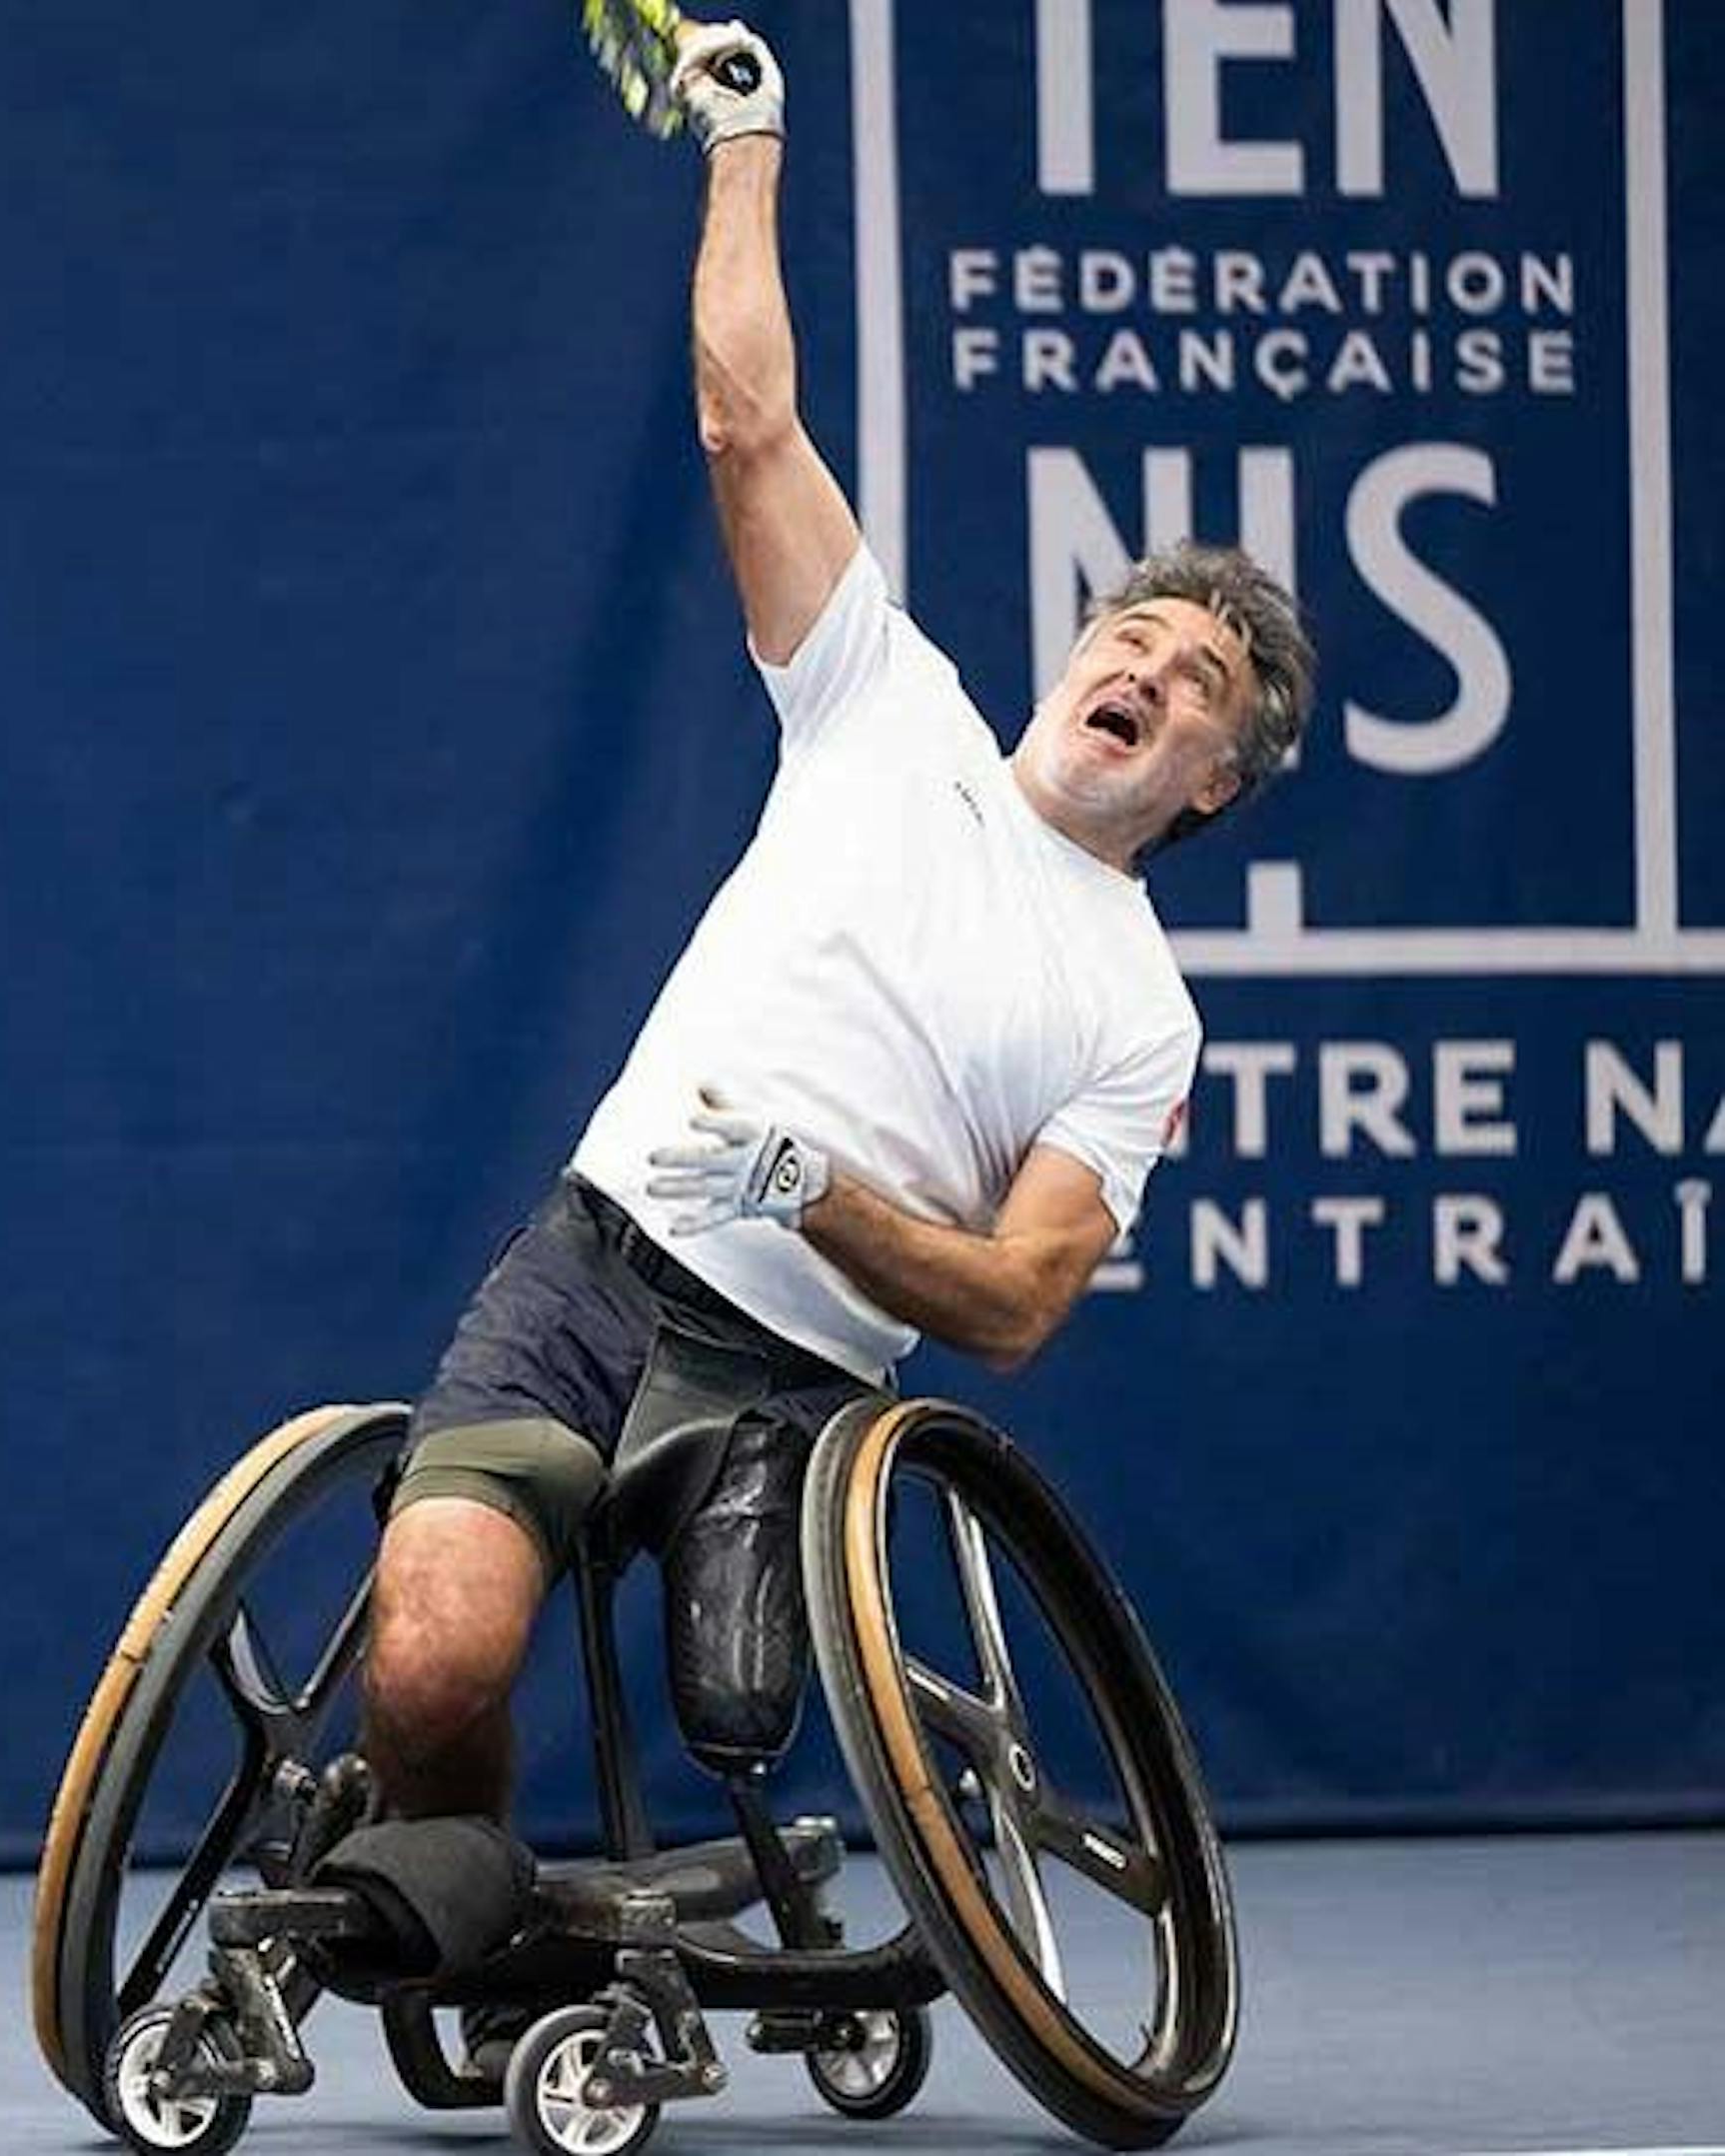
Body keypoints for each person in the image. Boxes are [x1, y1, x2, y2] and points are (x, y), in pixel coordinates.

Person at [346, 15, 1312, 2070]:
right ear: (1074, 658)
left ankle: (629, 1903)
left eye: (1199, 672)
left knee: (742, 1710)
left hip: (788, 1371)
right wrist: (750, 142)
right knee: (430, 1655)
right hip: (587, 1273)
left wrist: (819, 1195)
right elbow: (748, 422)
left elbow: (1022, 1299)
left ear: (1214, 780)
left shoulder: (1140, 1011)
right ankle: (453, 1895)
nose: (1146, 658)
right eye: (1132, 629)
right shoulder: (888, 706)